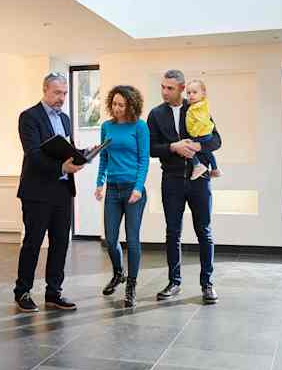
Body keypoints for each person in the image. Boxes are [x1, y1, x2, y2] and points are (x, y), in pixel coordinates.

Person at [147, 69, 222, 304]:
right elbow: (150, 148)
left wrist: (197, 148)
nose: (164, 92)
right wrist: (173, 147)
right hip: (171, 180)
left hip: (199, 180)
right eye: (163, 87)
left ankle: (207, 284)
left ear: (181, 88)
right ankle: (174, 282)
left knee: (205, 232)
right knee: (172, 232)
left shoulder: (197, 107)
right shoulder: (155, 114)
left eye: (170, 88)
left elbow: (216, 140)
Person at [13, 72, 84, 313]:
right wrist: (61, 166)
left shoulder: (64, 119)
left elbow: (66, 150)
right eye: (57, 93)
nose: (61, 98)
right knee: (33, 243)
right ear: (44, 90)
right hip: (37, 192)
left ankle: (54, 293)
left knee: (60, 243)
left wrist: (83, 154)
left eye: (64, 93)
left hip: (63, 190)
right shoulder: (29, 117)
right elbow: (33, 154)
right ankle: (22, 291)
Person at [95, 85, 149, 308]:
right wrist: (100, 183)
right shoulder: (106, 126)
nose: (116, 108)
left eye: (121, 105)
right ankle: (119, 273)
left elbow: (143, 160)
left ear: (131, 105)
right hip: (113, 189)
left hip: (133, 190)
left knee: (133, 239)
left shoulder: (140, 127)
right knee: (110, 238)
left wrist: (138, 187)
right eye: (114, 104)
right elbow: (103, 157)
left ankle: (131, 286)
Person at [184, 78, 222, 180]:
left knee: (188, 148)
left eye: (194, 92)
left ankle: (197, 166)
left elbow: (201, 121)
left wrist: (194, 133)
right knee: (207, 152)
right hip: (205, 134)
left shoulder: (197, 107)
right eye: (188, 93)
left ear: (203, 94)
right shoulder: (198, 105)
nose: (191, 95)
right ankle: (215, 169)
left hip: (201, 134)